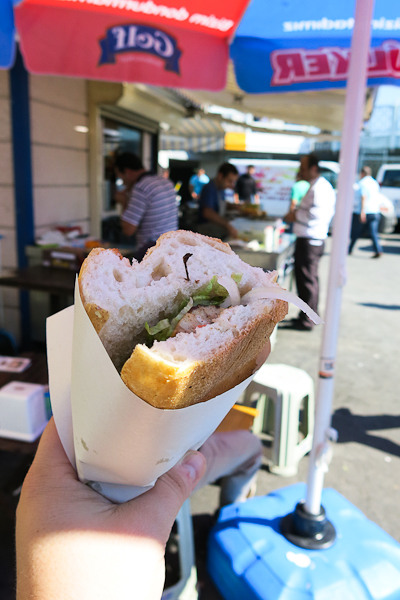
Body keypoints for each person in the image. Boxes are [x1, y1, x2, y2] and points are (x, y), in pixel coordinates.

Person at [16, 339, 270, 600]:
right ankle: (227, 515)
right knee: (251, 447)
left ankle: (225, 517)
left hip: (174, 455)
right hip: (185, 457)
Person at [284, 153, 336, 331]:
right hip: (309, 238)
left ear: (314, 169)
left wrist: (295, 215)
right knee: (306, 280)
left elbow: (316, 215)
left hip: (310, 240)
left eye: (303, 168)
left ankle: (308, 319)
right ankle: (305, 316)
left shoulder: (319, 188)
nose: (301, 172)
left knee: (308, 281)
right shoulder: (316, 186)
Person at [115, 153, 178, 261]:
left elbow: (128, 229)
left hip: (152, 251)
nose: (123, 183)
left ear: (127, 172)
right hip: (173, 247)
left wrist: (123, 202)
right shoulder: (165, 182)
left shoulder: (141, 188)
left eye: (121, 177)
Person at [197, 163, 239, 240]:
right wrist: (227, 225)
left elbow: (221, 205)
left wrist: (237, 207)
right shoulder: (209, 188)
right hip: (206, 231)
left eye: (233, 182)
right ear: (220, 176)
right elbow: (207, 212)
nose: (232, 185)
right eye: (229, 181)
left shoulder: (221, 189)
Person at [349, 166, 383, 258]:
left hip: (364, 211)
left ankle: (349, 249)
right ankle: (378, 250)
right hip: (374, 211)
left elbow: (363, 197)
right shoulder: (375, 182)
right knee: (373, 232)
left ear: (362, 173)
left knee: (355, 232)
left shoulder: (362, 183)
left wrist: (362, 212)